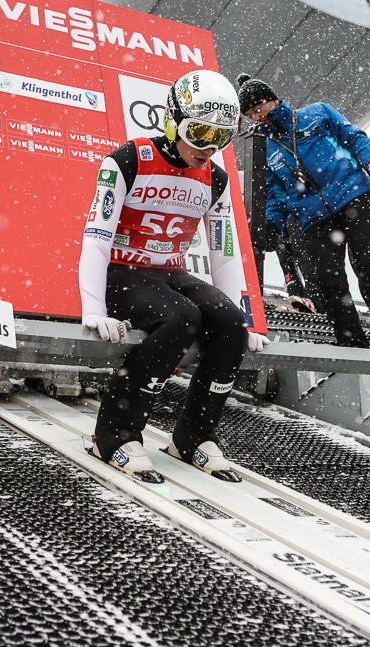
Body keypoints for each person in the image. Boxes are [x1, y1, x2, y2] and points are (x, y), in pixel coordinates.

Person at [78, 69, 269, 484]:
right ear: (173, 120)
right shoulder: (128, 160)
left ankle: (194, 436)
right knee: (182, 319)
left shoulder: (215, 179)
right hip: (121, 271)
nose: (208, 148)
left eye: (221, 138)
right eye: (200, 133)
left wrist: (246, 318)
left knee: (230, 324)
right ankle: (113, 436)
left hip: (167, 272)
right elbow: (96, 236)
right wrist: (93, 307)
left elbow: (225, 252)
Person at [237, 74, 370, 350]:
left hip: (354, 198)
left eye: (258, 109)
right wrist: (272, 226)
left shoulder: (317, 113)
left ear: (273, 101)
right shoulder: (268, 149)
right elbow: (276, 194)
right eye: (250, 116)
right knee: (329, 283)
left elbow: (354, 138)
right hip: (315, 218)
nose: (256, 118)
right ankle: (352, 343)